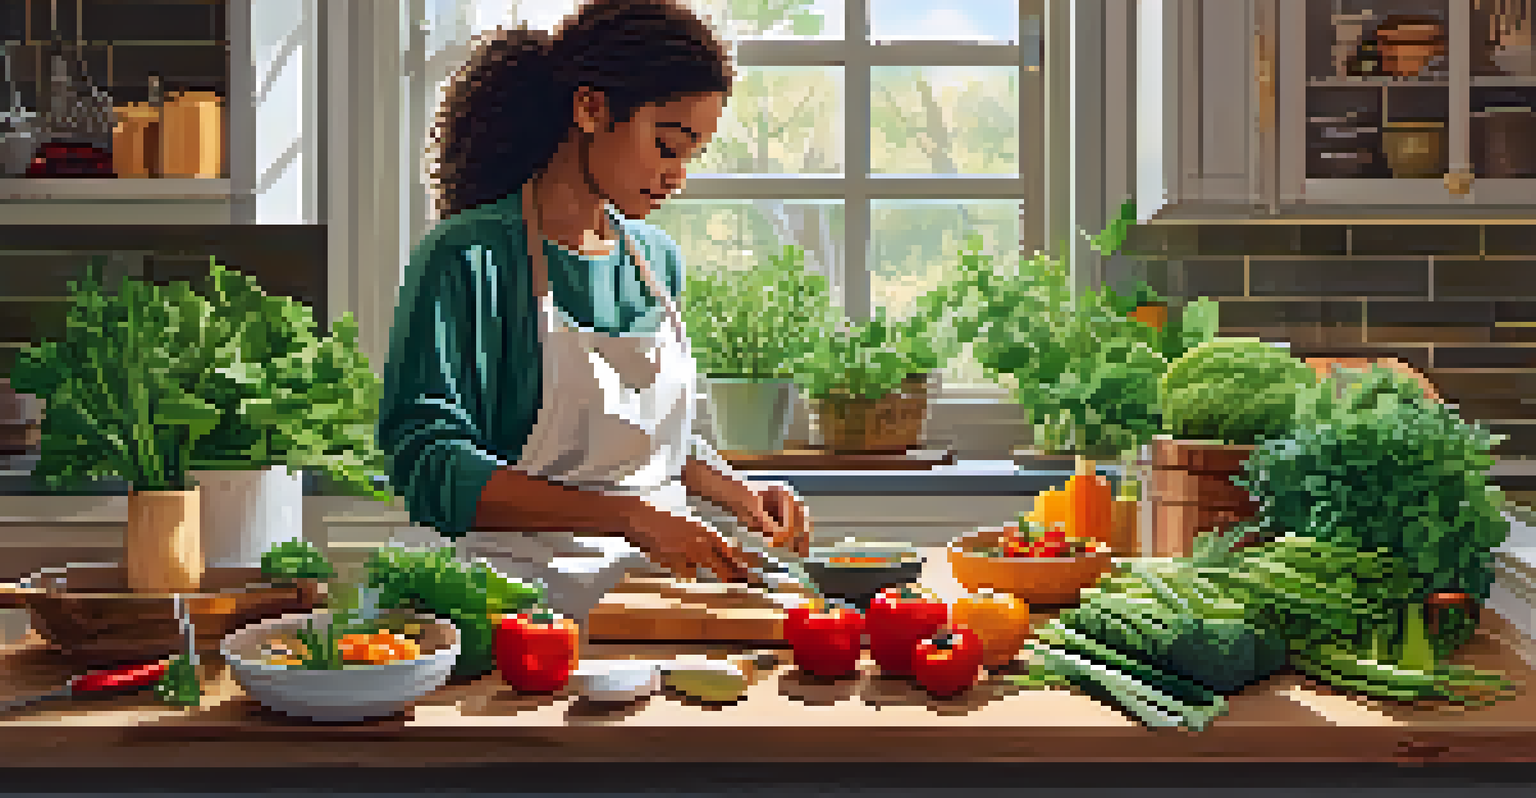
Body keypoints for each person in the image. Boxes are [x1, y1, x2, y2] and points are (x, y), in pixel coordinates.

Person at [378, 0, 812, 624]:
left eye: (692, 154)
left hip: (649, 589)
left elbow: (632, 438)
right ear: (590, 108)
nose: (678, 176)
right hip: (510, 602)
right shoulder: (468, 257)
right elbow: (429, 466)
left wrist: (732, 490)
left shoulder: (656, 262)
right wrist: (629, 517)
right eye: (667, 145)